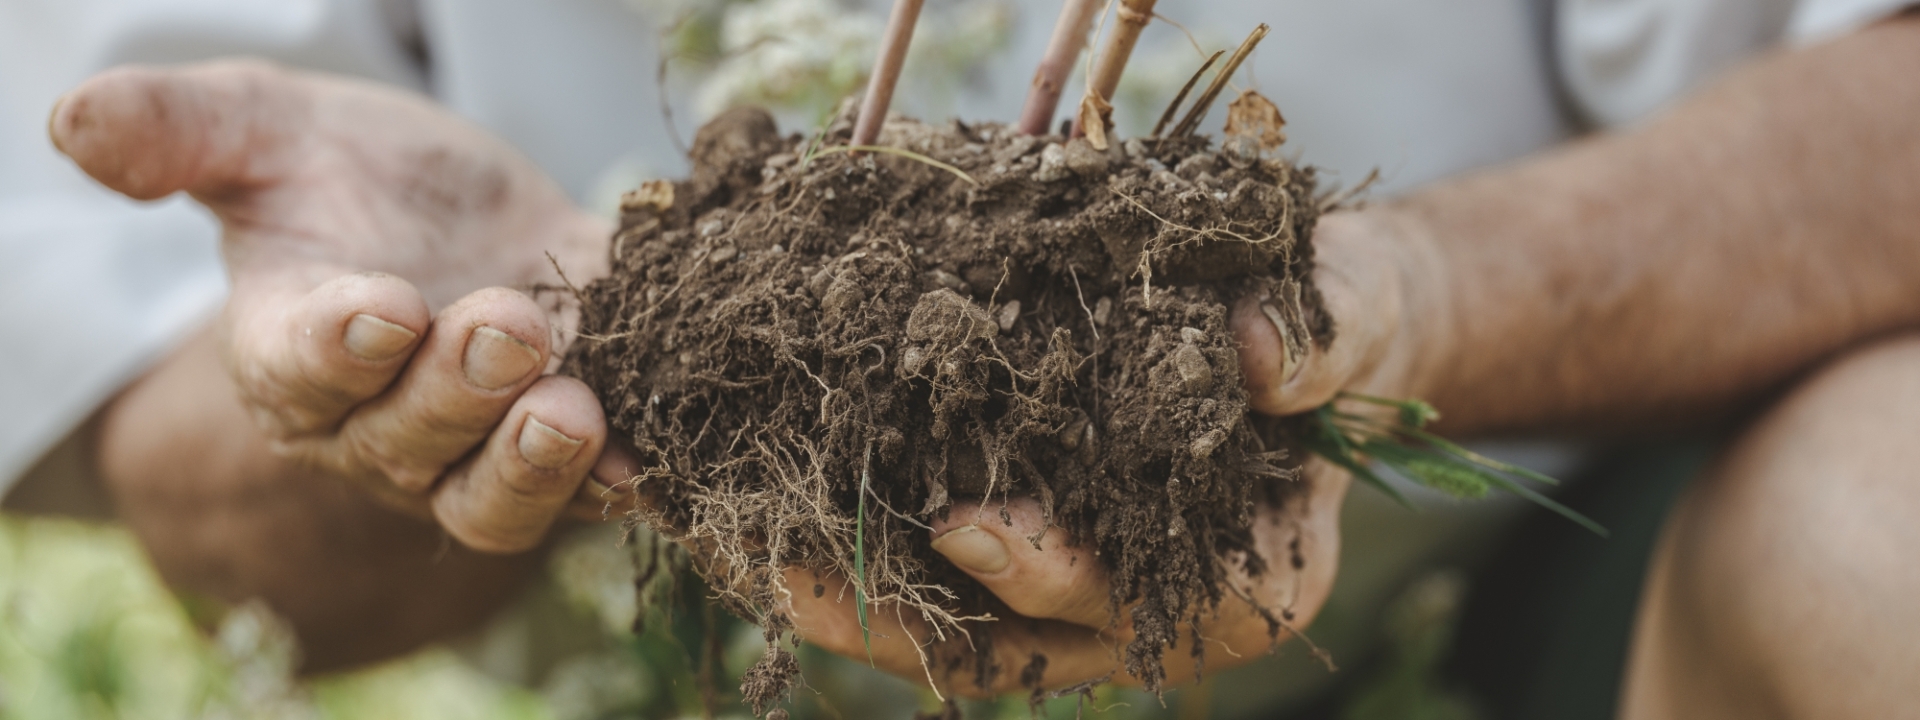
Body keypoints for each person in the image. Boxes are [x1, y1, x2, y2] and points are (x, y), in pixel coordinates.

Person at [3, 0, 1917, 716]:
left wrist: (1411, 300)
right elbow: (146, 443)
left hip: (1540, 596)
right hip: (697, 671)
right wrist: (439, 379)